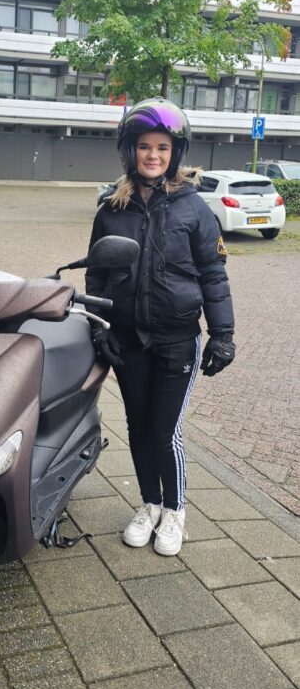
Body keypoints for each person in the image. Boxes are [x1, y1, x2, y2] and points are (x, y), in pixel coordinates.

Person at [86, 98, 235, 556]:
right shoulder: (111, 209)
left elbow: (213, 274)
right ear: (130, 150)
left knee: (164, 432)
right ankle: (150, 504)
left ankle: (175, 512)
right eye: (144, 146)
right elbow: (97, 274)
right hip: (128, 339)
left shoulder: (195, 209)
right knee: (137, 426)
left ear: (176, 153)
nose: (153, 155)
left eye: (162, 148)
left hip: (177, 340)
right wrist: (99, 327)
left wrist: (223, 334)